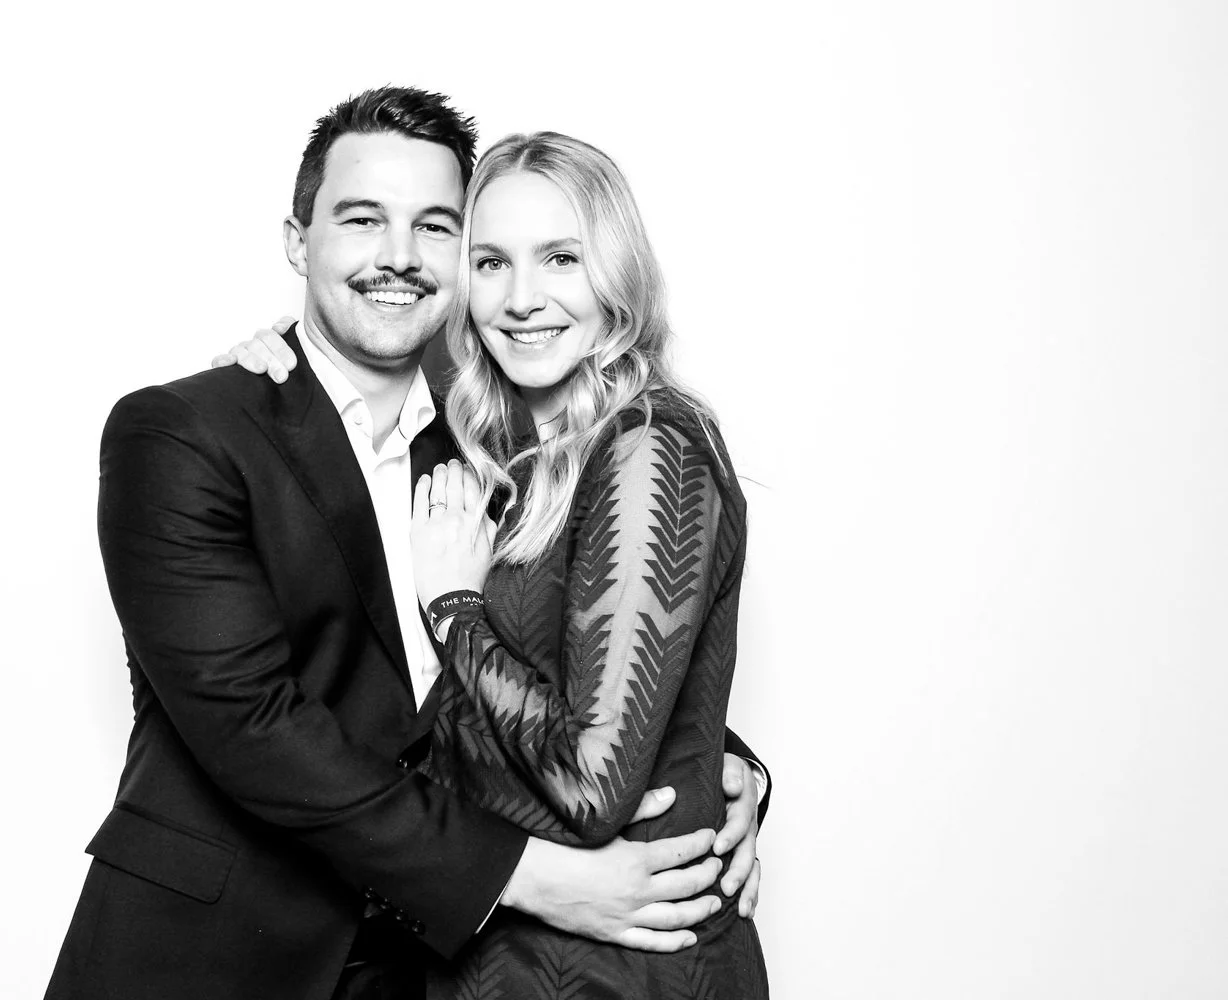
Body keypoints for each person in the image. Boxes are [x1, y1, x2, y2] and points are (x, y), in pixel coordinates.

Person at [45, 88, 767, 1000]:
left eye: (434, 227)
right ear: (298, 242)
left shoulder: (492, 446)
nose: (397, 256)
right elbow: (252, 724)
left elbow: (571, 659)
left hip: (425, 968)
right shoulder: (188, 432)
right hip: (216, 957)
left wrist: (725, 770)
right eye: (361, 220)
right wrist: (529, 876)